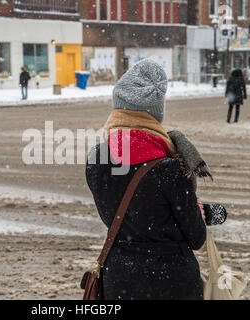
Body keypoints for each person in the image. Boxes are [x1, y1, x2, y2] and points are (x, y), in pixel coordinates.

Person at [86, 59, 208, 300]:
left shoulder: (97, 159)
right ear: (156, 114)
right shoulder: (171, 170)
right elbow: (196, 237)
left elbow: (128, 216)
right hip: (172, 284)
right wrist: (205, 213)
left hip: (120, 280)